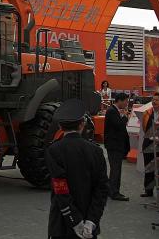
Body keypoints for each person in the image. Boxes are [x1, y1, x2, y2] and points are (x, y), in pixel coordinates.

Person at [46, 99, 109, 239]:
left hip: (62, 224)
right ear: (82, 124)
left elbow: (60, 190)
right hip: (89, 223)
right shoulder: (96, 151)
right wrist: (91, 221)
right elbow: (102, 188)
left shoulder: (54, 150)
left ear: (60, 126)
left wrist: (75, 221)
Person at [104, 93, 131, 201]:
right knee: (116, 169)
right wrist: (125, 117)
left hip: (115, 145)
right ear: (120, 100)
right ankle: (114, 193)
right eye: (125, 101)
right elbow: (119, 125)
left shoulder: (113, 111)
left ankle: (111, 190)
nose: (126, 104)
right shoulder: (111, 111)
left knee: (115, 169)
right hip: (114, 145)